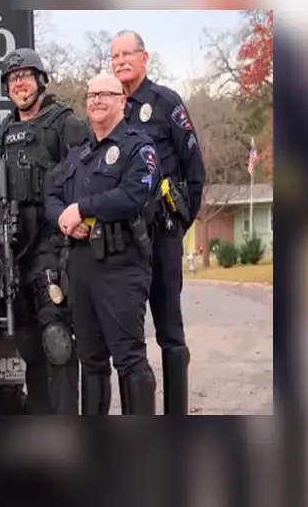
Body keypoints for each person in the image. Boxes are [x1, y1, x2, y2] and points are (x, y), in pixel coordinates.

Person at [0, 47, 92, 415]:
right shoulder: (3, 132)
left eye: (25, 76)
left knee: (57, 339)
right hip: (15, 250)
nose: (19, 84)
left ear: (41, 80)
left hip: (53, 246)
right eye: (12, 79)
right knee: (27, 344)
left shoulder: (66, 124)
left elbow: (88, 183)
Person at [45, 73, 159, 415]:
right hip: (81, 264)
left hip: (121, 264)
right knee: (91, 360)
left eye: (105, 94)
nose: (96, 100)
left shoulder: (138, 147)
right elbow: (50, 196)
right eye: (91, 94)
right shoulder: (77, 155)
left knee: (129, 359)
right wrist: (64, 218)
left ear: (122, 100)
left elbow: (136, 193)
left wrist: (82, 209)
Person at [111, 30, 206, 415]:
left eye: (126, 54)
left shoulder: (165, 102)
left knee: (169, 331)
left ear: (144, 57)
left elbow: (195, 170)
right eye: (114, 56)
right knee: (128, 337)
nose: (119, 62)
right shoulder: (111, 110)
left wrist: (179, 224)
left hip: (162, 235)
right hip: (124, 242)